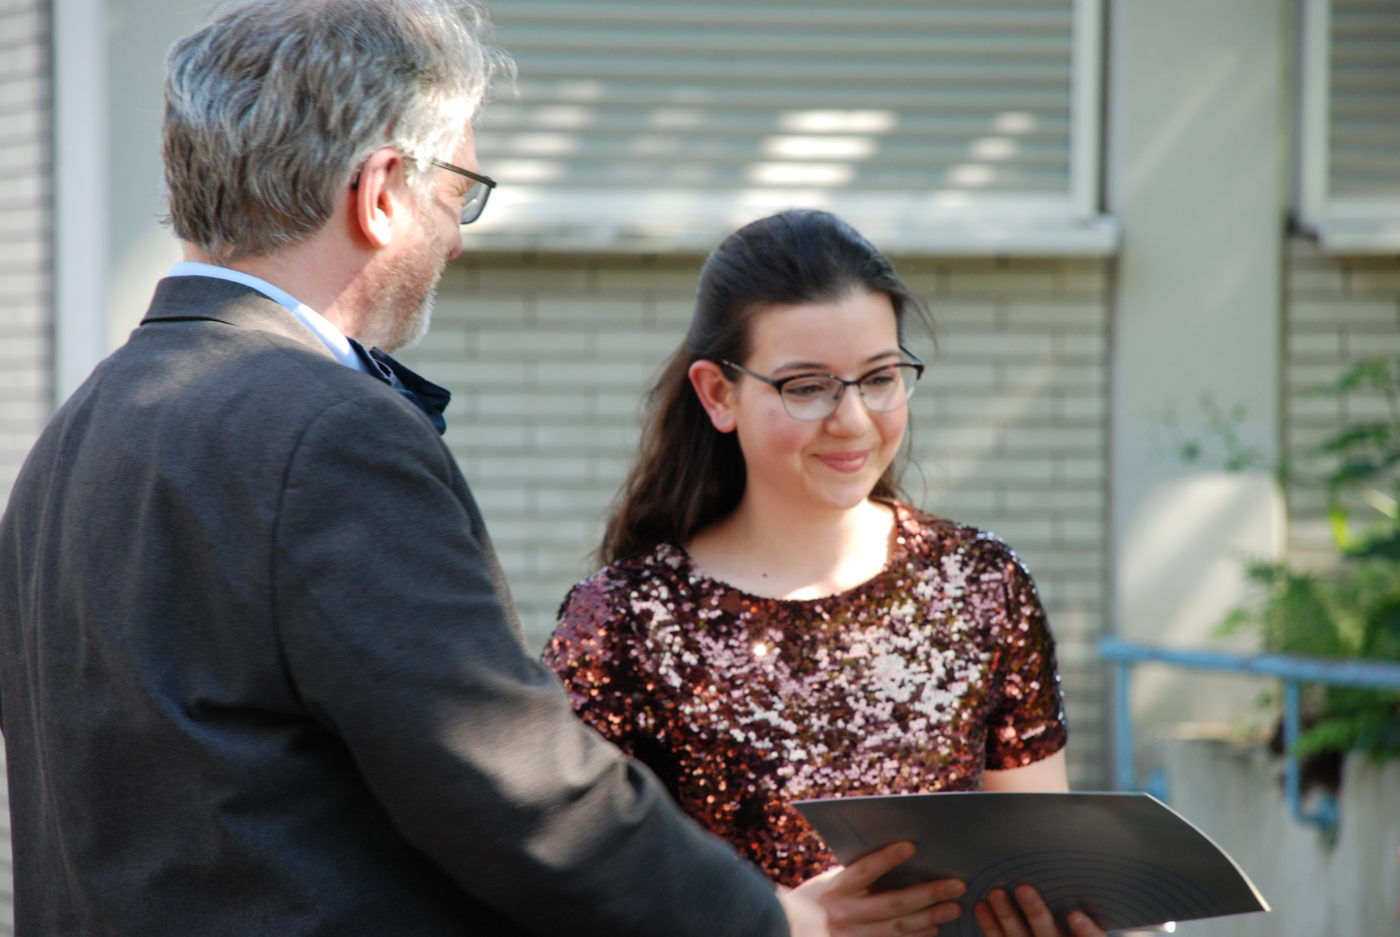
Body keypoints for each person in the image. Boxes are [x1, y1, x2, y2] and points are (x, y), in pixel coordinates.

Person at [0, 5, 952, 935]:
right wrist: (769, 918)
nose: (458, 236)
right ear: (381, 192)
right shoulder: (329, 432)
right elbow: (516, 783)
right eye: (458, 192)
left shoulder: (78, 430)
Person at [545, 209, 1106, 937]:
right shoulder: (626, 620)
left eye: (879, 377)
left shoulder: (982, 585)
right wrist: (778, 923)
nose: (853, 420)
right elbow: (569, 885)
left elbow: (1039, 865)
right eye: (807, 387)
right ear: (717, 394)